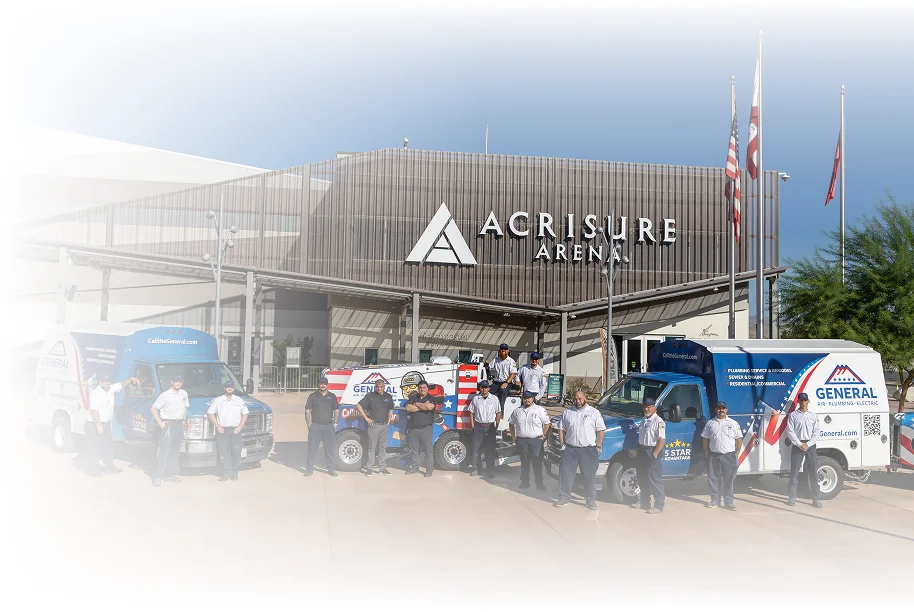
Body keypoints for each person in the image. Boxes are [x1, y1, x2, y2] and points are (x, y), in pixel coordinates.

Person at [554, 391, 605, 510]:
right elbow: (561, 428)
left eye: (580, 398)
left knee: (589, 476)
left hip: (588, 450)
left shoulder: (594, 413)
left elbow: (601, 430)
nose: (578, 401)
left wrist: (598, 445)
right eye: (575, 399)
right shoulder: (568, 412)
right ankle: (563, 497)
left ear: (584, 398)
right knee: (566, 474)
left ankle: (590, 500)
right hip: (570, 449)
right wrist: (562, 444)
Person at [85, 373, 139, 476]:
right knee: (94, 447)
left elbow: (120, 384)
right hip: (94, 424)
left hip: (106, 424)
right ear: (100, 382)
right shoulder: (96, 394)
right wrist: (98, 425)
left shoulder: (110, 389)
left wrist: (130, 379)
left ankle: (109, 467)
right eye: (105, 382)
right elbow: (94, 411)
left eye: (108, 382)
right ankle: (93, 470)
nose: (107, 384)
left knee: (108, 445)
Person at [701, 400, 742, 510]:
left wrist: (737, 451)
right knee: (713, 478)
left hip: (729, 456)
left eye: (723, 408)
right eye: (719, 408)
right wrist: (706, 451)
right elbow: (705, 438)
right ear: (715, 410)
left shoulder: (733, 423)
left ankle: (729, 502)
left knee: (729, 480)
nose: (721, 410)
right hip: (713, 456)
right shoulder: (710, 423)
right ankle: (714, 500)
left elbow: (738, 438)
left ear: (726, 410)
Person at [150, 374, 190, 487]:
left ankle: (169, 475)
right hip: (169, 425)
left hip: (179, 425)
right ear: (172, 382)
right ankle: (157, 477)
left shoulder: (184, 393)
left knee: (175, 452)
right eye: (176, 381)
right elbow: (153, 408)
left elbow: (186, 406)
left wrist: (183, 418)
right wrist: (161, 423)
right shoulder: (165, 395)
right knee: (164, 451)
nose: (178, 383)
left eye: (180, 382)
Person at [207, 381, 249, 482]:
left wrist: (240, 427)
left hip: (235, 430)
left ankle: (235, 473)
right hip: (223, 430)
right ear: (224, 388)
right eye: (228, 387)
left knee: (236, 451)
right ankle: (227, 472)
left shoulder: (239, 401)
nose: (229, 389)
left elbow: (245, 414)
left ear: (233, 389)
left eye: (231, 387)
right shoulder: (218, 400)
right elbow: (210, 413)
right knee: (224, 452)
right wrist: (217, 425)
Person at [508, 390, 551, 491]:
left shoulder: (540, 410)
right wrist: (514, 438)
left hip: (536, 441)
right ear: (523, 399)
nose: (527, 400)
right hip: (522, 441)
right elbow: (511, 424)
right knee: (524, 462)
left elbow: (547, 424)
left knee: (537, 463)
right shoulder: (517, 411)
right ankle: (524, 482)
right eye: (525, 398)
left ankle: (539, 483)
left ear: (533, 398)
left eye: (529, 398)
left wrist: (544, 436)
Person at [786, 392, 822, 508]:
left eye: (805, 400)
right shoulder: (793, 415)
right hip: (798, 445)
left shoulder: (813, 415)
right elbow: (790, 431)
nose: (803, 402)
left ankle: (816, 499)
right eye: (801, 400)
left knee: (813, 472)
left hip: (810, 446)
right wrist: (799, 443)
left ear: (808, 401)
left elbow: (816, 432)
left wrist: (809, 444)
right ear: (798, 402)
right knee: (794, 473)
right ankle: (792, 497)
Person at [356, 378, 394, 476]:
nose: (379, 388)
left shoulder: (388, 396)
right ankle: (369, 469)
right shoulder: (370, 396)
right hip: (374, 426)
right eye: (377, 386)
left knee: (382, 448)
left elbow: (391, 408)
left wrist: (389, 419)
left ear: (384, 387)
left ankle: (382, 468)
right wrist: (366, 418)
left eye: (381, 386)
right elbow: (358, 405)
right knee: (371, 448)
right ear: (375, 387)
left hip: (384, 426)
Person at [636, 397, 666, 513]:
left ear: (654, 408)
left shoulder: (659, 422)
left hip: (652, 451)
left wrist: (655, 453)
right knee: (642, 477)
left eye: (649, 406)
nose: (646, 409)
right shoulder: (644, 419)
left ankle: (658, 505)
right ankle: (645, 503)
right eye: (645, 406)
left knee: (655, 478)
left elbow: (661, 439)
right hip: (642, 450)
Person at [405, 380, 441, 477]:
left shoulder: (432, 398)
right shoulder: (413, 397)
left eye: (424, 387)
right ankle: (415, 468)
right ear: (418, 388)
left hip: (426, 428)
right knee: (414, 449)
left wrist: (416, 405)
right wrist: (422, 406)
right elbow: (408, 408)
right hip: (413, 428)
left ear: (427, 388)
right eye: (420, 388)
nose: (422, 389)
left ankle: (429, 470)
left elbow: (429, 407)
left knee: (428, 449)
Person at [304, 376, 339, 477]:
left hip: (328, 427)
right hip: (315, 427)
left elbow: (336, 411)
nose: (322, 385)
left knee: (329, 450)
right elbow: (307, 411)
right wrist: (309, 424)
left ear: (327, 385)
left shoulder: (332, 396)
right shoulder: (313, 396)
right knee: (312, 449)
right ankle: (309, 469)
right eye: (321, 383)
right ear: (318, 384)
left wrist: (335, 424)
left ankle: (331, 470)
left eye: (324, 383)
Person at [468, 380, 501, 478]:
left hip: (490, 427)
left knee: (490, 450)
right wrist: (473, 425)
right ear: (480, 388)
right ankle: (476, 469)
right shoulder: (475, 399)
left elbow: (498, 412)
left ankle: (490, 470)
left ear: (489, 388)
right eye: (482, 387)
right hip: (478, 427)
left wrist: (497, 425)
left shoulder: (494, 399)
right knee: (476, 449)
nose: (484, 389)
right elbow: (471, 412)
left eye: (486, 387)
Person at [490, 343, 518, 410]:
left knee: (502, 391)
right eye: (502, 349)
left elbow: (513, 373)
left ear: (508, 351)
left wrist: (506, 382)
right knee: (486, 391)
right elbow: (489, 367)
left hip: (507, 383)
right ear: (499, 350)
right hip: (496, 383)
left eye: (505, 349)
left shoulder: (511, 361)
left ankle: (501, 412)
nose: (503, 350)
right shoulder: (495, 360)